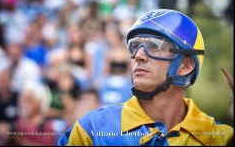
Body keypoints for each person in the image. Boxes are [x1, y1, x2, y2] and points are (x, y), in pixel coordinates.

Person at [58, 9, 233, 146]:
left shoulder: (220, 138)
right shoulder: (91, 129)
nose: (139, 55)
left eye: (155, 46)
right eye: (134, 46)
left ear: (185, 66)